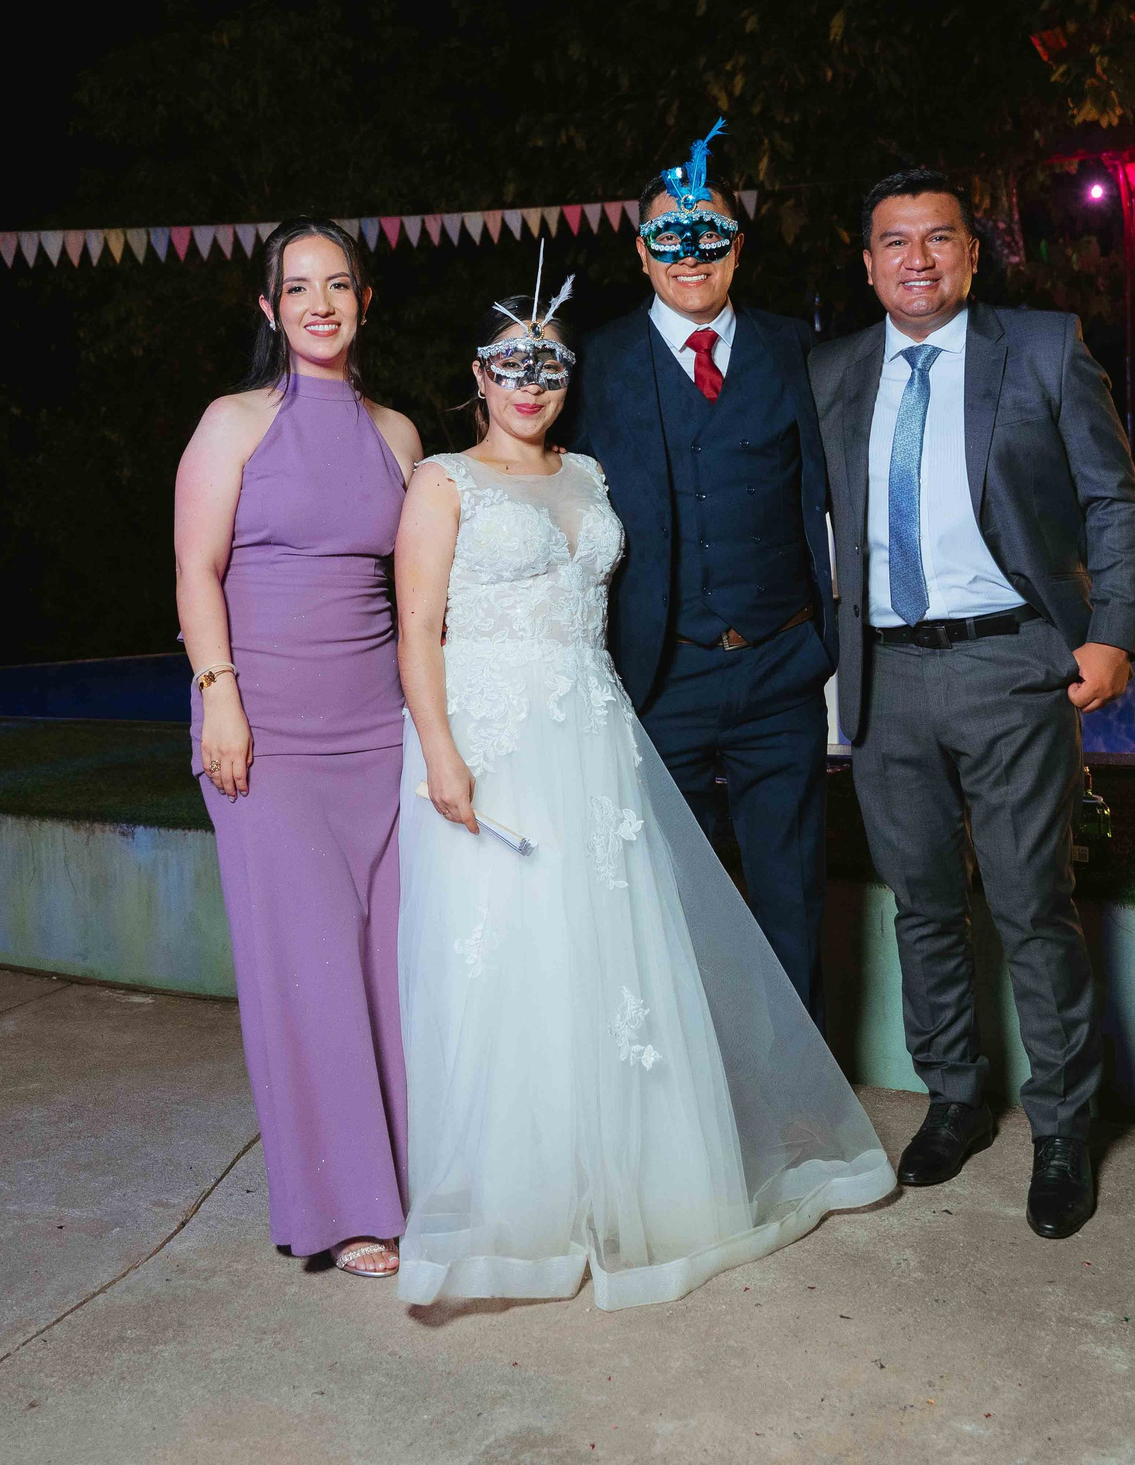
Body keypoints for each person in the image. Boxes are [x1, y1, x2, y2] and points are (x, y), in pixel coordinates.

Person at [391, 285, 892, 1310]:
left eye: (549, 366)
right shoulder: (442, 484)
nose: (529, 384)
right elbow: (414, 632)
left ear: (569, 383)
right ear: (477, 378)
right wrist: (442, 753)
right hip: (493, 741)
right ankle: (526, 1196)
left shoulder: (588, 472)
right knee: (516, 949)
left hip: (596, 734)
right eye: (509, 364)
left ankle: (643, 1174)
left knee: (616, 948)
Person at [808, 168, 1135, 1241]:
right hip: (884, 672)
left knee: (1027, 901)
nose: (916, 259)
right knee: (919, 902)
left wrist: (1112, 634)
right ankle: (954, 1098)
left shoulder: (1041, 348)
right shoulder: (830, 371)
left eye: (938, 239)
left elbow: (1111, 499)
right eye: (893, 242)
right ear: (867, 265)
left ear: (969, 252)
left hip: (1010, 663)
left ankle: (1062, 1126)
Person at [173, 218, 423, 1279]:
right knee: (309, 975)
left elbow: (421, 600)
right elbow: (195, 573)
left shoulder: (400, 434)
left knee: (397, 969)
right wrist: (220, 699)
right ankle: (345, 1209)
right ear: (267, 309)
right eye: (297, 287)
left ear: (364, 299)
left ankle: (420, 1183)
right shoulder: (232, 424)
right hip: (264, 732)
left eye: (339, 284)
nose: (320, 303)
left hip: (382, 733)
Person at [565, 121, 840, 1012]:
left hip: (780, 664)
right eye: (667, 239)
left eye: (708, 235)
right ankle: (702, 1101)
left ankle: (801, 1103)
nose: (690, 255)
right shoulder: (593, 364)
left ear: (736, 247)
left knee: (792, 893)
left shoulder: (800, 350)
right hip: (658, 673)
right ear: (642, 254)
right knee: (669, 895)